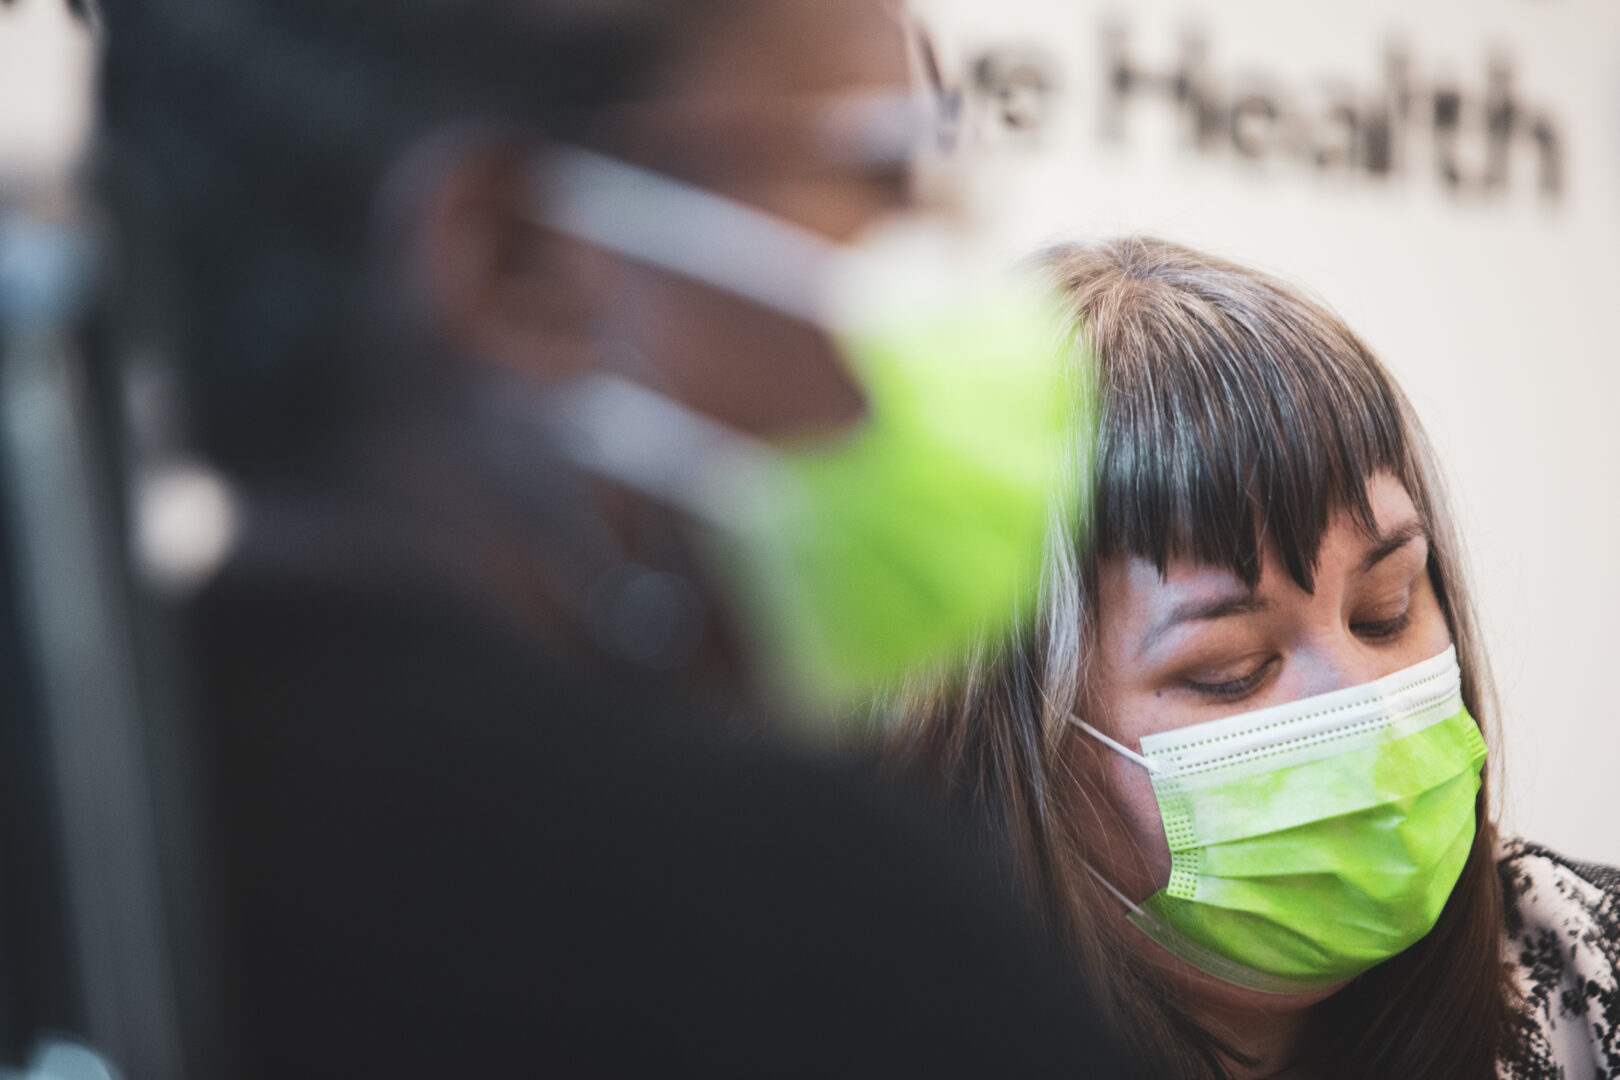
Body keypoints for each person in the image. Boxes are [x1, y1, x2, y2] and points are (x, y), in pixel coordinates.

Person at [89, 1, 1140, 1077]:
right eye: (875, 170)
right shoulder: (798, 940)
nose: (938, 250)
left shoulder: (82, 820)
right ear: (519, 268)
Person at [883, 237, 1620, 1080]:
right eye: (1230, 669)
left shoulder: (1589, 976)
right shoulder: (814, 1030)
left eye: (1385, 613)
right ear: (1009, 742)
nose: (1367, 703)